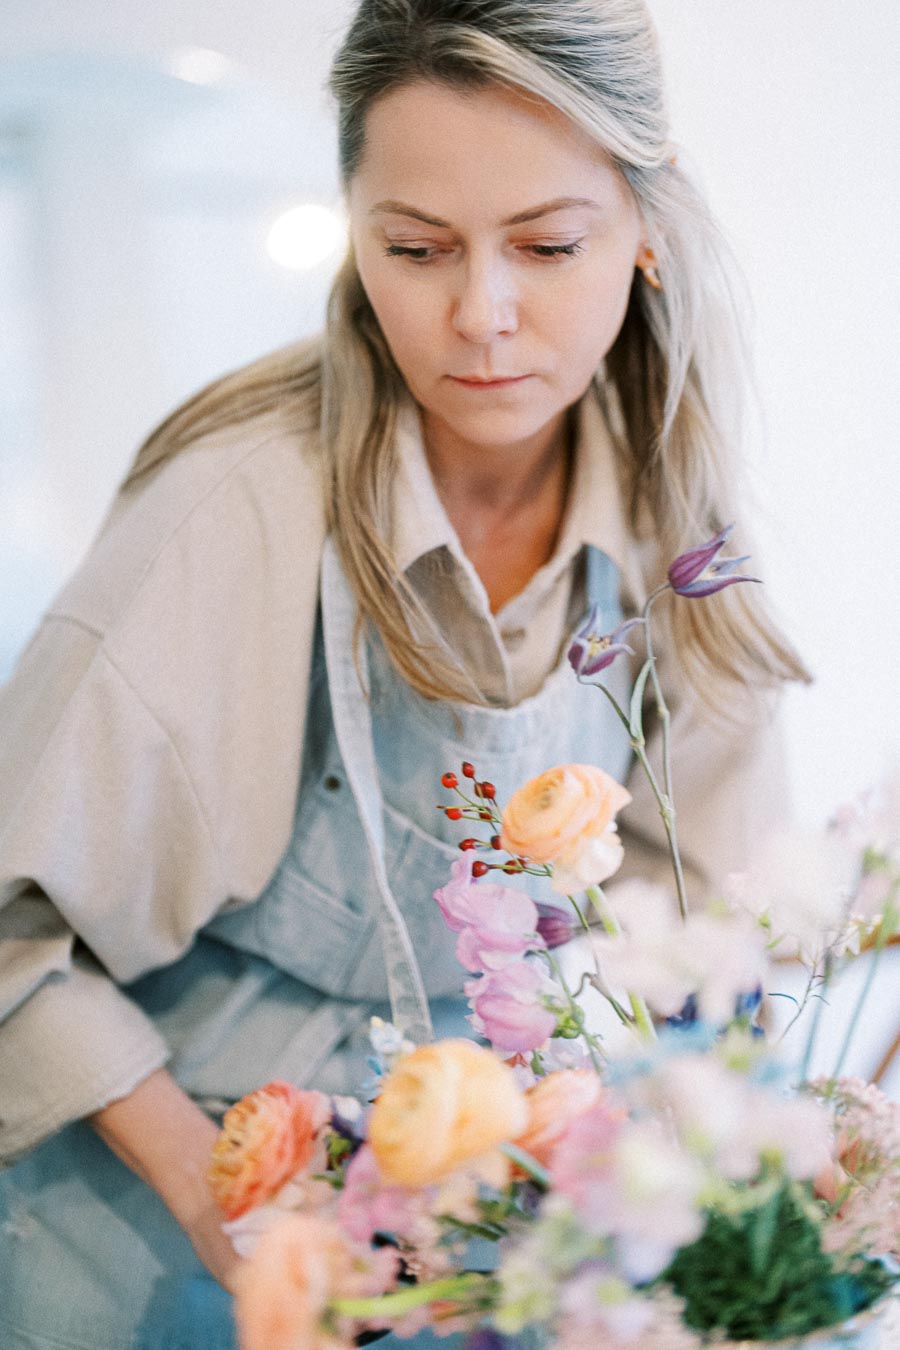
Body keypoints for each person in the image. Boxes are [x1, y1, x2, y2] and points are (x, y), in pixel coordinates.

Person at [0, 1, 810, 1346]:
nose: (481, 317)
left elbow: (711, 909)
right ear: (353, 227)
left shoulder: (688, 527)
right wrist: (219, 1197)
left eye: (548, 246)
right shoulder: (230, 515)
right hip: (154, 1217)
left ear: (649, 227)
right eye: (415, 248)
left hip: (491, 1227)